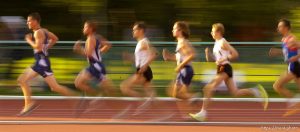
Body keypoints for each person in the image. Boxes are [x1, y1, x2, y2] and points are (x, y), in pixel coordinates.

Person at [189, 23, 268, 121]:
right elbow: (216, 59)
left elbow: (235, 54)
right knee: (235, 92)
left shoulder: (223, 42)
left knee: (208, 88)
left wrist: (224, 59)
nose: (211, 33)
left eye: (212, 31)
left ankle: (203, 113)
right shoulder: (217, 43)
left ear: (218, 32)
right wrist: (208, 55)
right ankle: (255, 90)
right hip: (221, 68)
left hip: (225, 67)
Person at [17, 12, 77, 115]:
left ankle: (29, 105)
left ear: (35, 21)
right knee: (54, 87)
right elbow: (55, 39)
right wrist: (46, 47)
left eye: (29, 21)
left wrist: (28, 40)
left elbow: (38, 47)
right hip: (42, 61)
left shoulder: (37, 33)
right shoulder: (44, 31)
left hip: (41, 63)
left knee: (22, 80)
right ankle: (75, 97)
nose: (27, 23)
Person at [73, 20, 114, 96]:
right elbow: (108, 45)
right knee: (79, 83)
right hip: (95, 65)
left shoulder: (90, 39)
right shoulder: (97, 37)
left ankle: (98, 98)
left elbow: (88, 54)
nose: (83, 29)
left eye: (85, 27)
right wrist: (99, 52)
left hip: (96, 66)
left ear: (90, 28)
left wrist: (78, 49)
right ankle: (98, 98)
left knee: (79, 83)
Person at [269, 19, 300, 116]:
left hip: (295, 66)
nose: (278, 28)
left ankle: (296, 103)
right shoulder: (284, 39)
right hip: (292, 66)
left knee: (277, 86)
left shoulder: (292, 39)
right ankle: (296, 103)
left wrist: (297, 57)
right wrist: (277, 52)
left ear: (286, 28)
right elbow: (287, 52)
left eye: (280, 26)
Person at [120, 21, 156, 98]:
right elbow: (141, 59)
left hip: (143, 71)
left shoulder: (144, 42)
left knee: (124, 87)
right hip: (144, 70)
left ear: (141, 31)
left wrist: (144, 67)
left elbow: (153, 54)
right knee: (151, 95)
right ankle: (152, 105)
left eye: (135, 29)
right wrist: (130, 57)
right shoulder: (140, 43)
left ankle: (142, 101)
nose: (133, 31)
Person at [162, 21, 196, 100]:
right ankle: (192, 100)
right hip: (184, 70)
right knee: (176, 93)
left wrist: (180, 65)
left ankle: (194, 98)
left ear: (180, 30)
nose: (172, 31)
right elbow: (181, 57)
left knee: (177, 94)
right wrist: (169, 57)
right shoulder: (180, 42)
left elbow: (192, 55)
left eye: (174, 29)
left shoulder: (183, 42)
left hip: (185, 70)